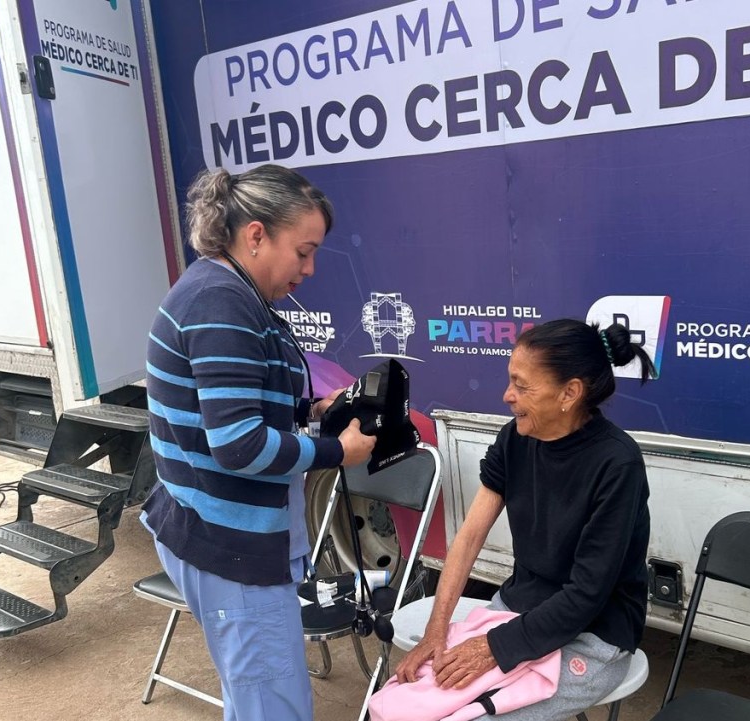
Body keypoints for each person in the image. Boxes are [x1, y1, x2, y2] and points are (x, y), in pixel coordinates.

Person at [140, 164, 376, 721]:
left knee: (255, 698)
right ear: (255, 235)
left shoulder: (224, 290)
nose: (310, 269)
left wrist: (309, 411)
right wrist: (339, 452)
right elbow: (240, 445)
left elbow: (229, 405)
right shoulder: (222, 303)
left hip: (215, 531)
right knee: (273, 708)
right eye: (304, 251)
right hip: (232, 549)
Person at [393, 319, 654, 721]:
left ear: (570, 393)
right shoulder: (515, 439)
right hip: (519, 609)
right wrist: (436, 630)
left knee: (472, 718)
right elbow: (468, 537)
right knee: (411, 700)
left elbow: (587, 595)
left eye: (522, 385)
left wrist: (492, 648)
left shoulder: (617, 464)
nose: (507, 395)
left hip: (595, 632)